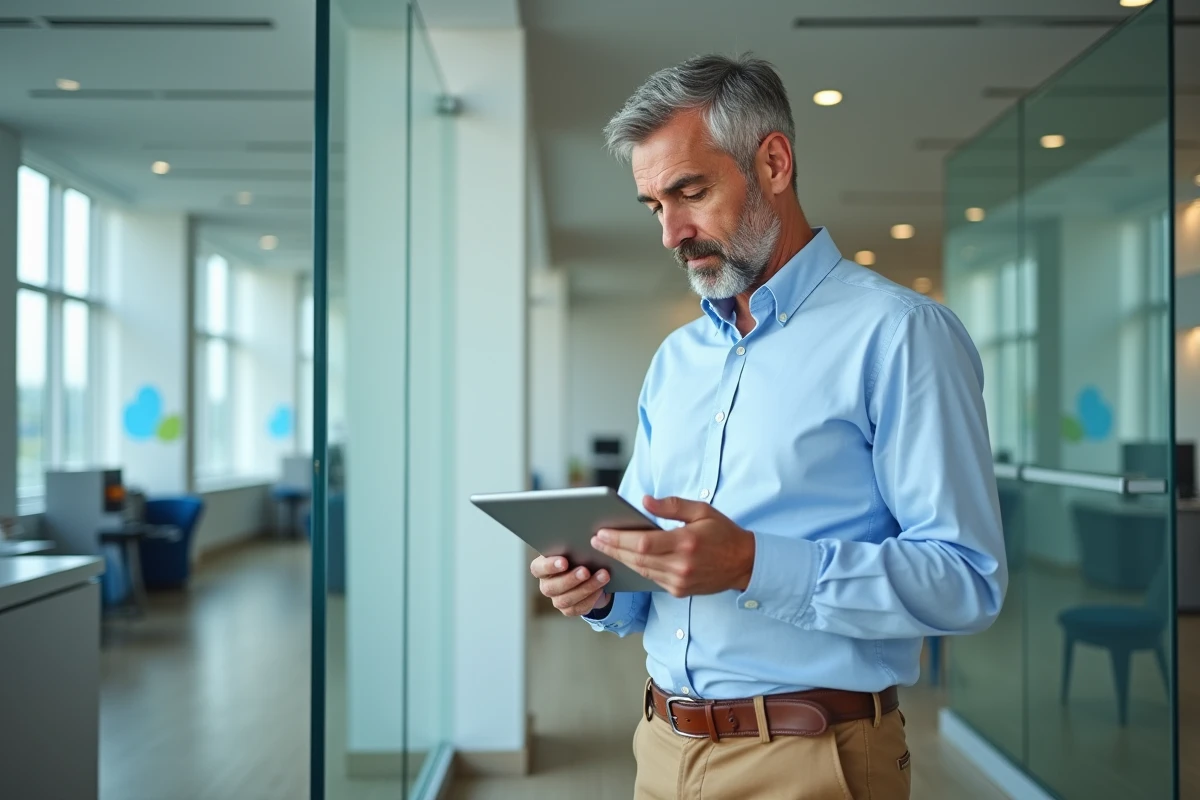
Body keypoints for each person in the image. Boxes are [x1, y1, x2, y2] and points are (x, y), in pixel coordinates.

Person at [530, 54, 1007, 800]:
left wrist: (754, 563)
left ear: (774, 164)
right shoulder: (677, 360)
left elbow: (966, 581)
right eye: (654, 206)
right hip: (660, 748)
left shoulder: (901, 334)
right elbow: (648, 565)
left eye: (690, 192)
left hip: (813, 759)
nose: (671, 234)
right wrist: (599, 589)